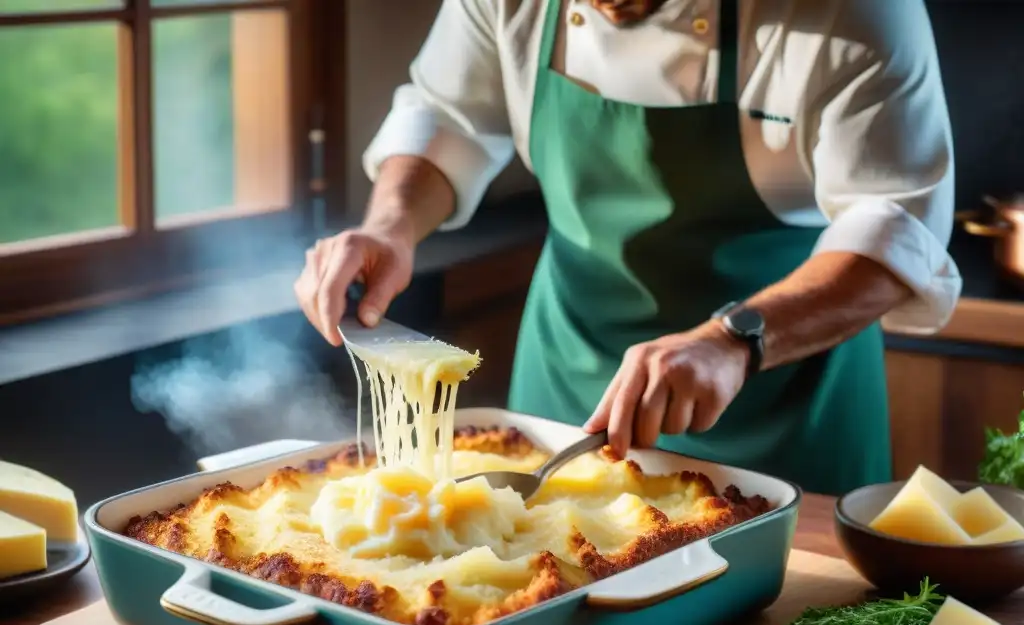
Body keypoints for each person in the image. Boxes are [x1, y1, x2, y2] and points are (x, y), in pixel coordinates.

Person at [295, 0, 962, 496]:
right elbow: (450, 118)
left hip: (782, 398)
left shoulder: (852, 11)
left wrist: (734, 340)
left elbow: (899, 225)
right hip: (568, 389)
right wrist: (390, 224)